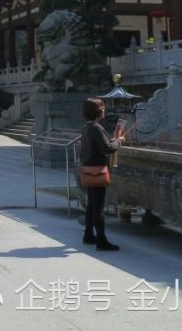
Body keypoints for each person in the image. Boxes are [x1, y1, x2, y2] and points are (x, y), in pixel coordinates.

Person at [80, 97, 123, 251]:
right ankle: (101, 240)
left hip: (88, 168)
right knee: (98, 207)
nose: (105, 110)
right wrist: (118, 141)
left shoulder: (87, 127)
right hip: (97, 170)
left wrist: (111, 141)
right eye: (103, 108)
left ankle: (88, 234)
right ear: (98, 111)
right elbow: (108, 149)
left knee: (91, 205)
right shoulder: (96, 128)